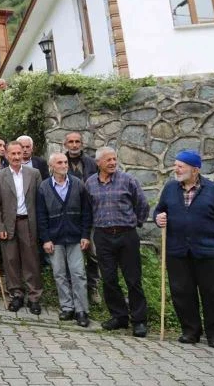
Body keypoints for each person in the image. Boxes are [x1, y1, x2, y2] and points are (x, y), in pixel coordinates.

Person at [154, 150, 214, 349]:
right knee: (182, 293)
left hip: (209, 253)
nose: (175, 169)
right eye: (175, 165)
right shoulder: (170, 189)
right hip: (178, 252)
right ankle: (190, 331)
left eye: (180, 166)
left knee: (213, 295)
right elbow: (160, 210)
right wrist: (158, 217)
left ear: (195, 170)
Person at [85, 147, 150, 338]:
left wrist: (135, 223)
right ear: (98, 163)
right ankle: (119, 317)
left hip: (127, 235)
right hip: (103, 237)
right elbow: (88, 210)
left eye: (114, 159)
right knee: (109, 279)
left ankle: (139, 321)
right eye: (108, 160)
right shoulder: (90, 183)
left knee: (133, 279)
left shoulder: (128, 180)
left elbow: (143, 205)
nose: (113, 162)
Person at [36, 153, 92, 327]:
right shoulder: (44, 187)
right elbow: (41, 216)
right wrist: (45, 239)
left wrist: (85, 235)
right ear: (52, 166)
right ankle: (67, 307)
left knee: (78, 273)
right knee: (59, 274)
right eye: (60, 162)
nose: (64, 165)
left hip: (75, 237)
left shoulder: (78, 184)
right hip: (55, 238)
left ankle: (81, 310)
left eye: (65, 162)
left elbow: (86, 212)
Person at [0, 140, 43, 314]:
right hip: (8, 225)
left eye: (19, 153)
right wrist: (0, 228)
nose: (16, 157)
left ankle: (34, 297)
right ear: (6, 155)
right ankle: (17, 295)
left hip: (29, 223)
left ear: (23, 154)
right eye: (12, 154)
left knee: (31, 262)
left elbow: (40, 202)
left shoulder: (34, 174)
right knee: (11, 261)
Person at [63, 131, 101, 305]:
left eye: (77, 141)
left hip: (90, 215)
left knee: (93, 254)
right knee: (70, 255)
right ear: (65, 145)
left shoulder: (92, 163)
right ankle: (72, 289)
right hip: (68, 217)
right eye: (70, 142)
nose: (74, 145)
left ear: (82, 144)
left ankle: (93, 288)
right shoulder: (58, 162)